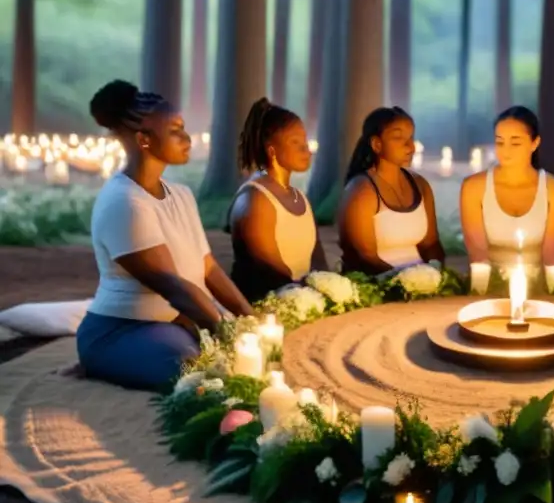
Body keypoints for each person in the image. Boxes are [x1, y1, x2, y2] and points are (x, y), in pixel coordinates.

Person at [76, 80, 254, 392]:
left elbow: (208, 268)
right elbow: (172, 285)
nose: (186, 138)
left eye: (183, 128)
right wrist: (227, 331)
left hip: (175, 322)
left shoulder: (181, 194)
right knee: (198, 372)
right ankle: (104, 361)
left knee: (234, 356)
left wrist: (250, 319)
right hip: (121, 330)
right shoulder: (125, 202)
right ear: (144, 139)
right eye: (175, 130)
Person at [228, 98, 327, 302]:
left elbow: (318, 258)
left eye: (305, 141)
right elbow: (267, 268)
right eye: (295, 142)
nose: (306, 150)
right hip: (266, 306)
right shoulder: (255, 199)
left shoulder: (300, 197)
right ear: (271, 150)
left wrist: (327, 288)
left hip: (305, 299)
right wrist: (304, 294)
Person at [338, 107, 445, 274]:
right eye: (398, 137)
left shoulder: (420, 185)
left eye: (411, 137)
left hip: (422, 282)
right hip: (377, 284)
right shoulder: (361, 191)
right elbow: (366, 256)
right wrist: (405, 281)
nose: (410, 146)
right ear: (377, 144)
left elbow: (430, 243)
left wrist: (436, 272)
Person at [460, 106, 554, 272]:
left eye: (515, 143)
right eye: (500, 142)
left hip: (537, 283)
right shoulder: (474, 187)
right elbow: (477, 251)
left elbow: (552, 251)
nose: (506, 151)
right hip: (490, 281)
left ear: (535, 143)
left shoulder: (553, 189)